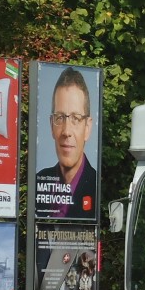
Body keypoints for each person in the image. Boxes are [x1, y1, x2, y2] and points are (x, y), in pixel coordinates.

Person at [34, 67, 98, 219]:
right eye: (60, 118)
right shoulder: (39, 182)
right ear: (51, 125)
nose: (66, 131)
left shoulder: (97, 185)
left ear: (87, 128)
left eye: (76, 118)